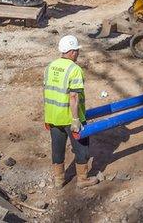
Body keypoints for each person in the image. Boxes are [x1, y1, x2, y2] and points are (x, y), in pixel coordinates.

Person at [43, 35, 100, 188]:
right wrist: (75, 119)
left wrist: (47, 117)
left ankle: (59, 180)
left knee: (57, 147)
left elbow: (47, 92)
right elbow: (73, 96)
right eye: (77, 51)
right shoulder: (74, 70)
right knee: (81, 148)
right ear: (72, 52)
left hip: (53, 116)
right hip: (69, 117)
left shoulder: (50, 67)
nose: (78, 54)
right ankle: (82, 180)